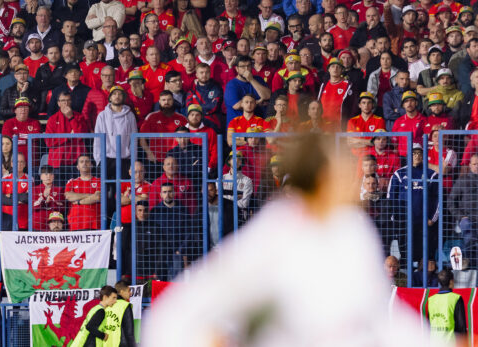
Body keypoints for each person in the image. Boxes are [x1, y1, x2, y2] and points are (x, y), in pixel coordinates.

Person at [145, 133, 432, 347]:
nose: (353, 178)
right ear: (323, 177)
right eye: (344, 171)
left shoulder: (352, 231)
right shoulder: (276, 230)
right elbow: (178, 315)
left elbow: (376, 313)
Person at [425, 268, 467, 342]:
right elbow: (461, 326)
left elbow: (428, 324)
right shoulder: (456, 298)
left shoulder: (431, 299)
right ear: (451, 281)